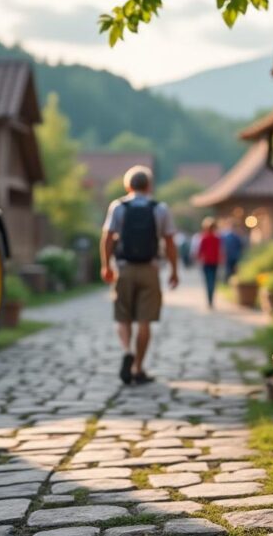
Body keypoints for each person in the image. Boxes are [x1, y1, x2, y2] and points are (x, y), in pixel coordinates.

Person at [100, 165, 179, 386]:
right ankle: (138, 368)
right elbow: (170, 242)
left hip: (124, 269)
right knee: (145, 320)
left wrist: (106, 266)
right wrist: (174, 270)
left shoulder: (118, 207)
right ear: (149, 186)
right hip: (150, 269)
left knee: (123, 316)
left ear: (128, 186)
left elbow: (107, 238)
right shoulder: (160, 208)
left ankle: (127, 351)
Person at [197, 217, 221, 306]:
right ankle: (211, 299)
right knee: (213, 281)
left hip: (207, 262)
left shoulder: (204, 238)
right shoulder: (216, 238)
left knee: (208, 281)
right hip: (214, 262)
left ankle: (210, 299)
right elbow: (220, 250)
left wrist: (198, 258)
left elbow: (200, 251)